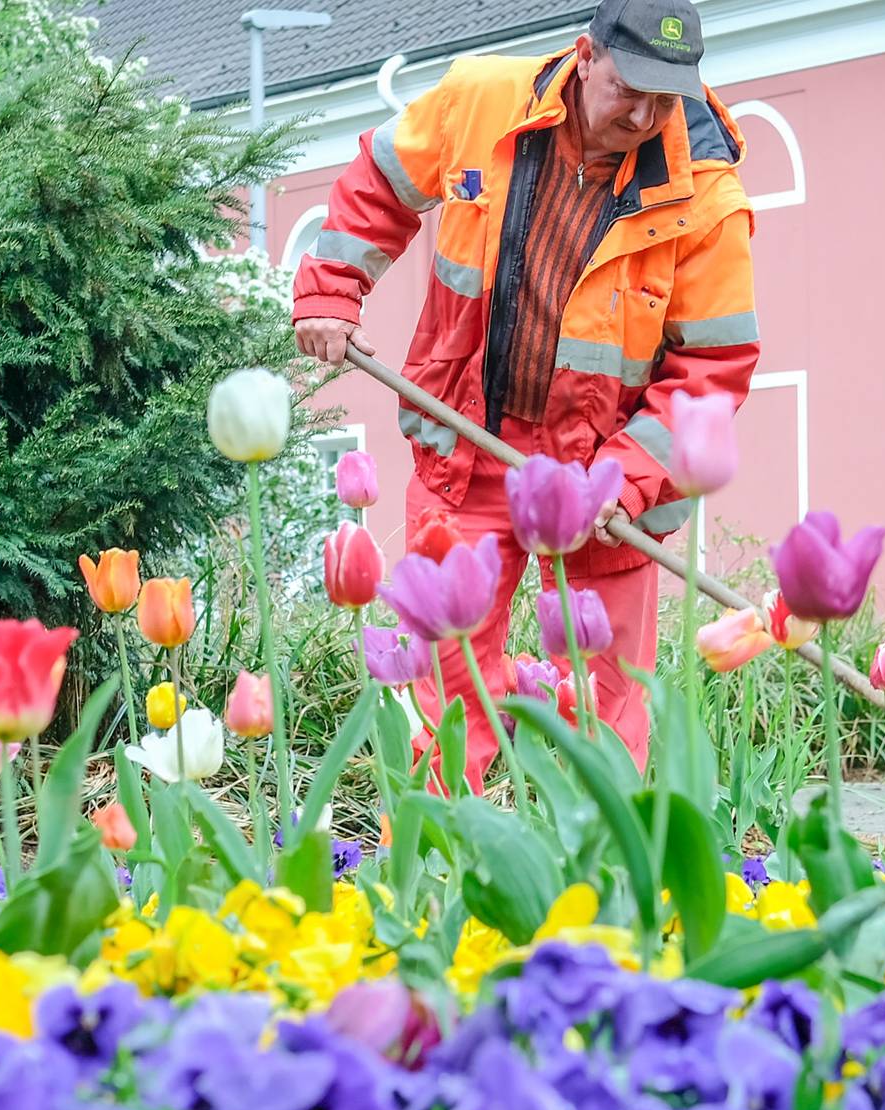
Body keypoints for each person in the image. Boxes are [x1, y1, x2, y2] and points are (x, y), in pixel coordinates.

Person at [292, 0, 758, 775]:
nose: (644, 114)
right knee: (449, 696)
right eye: (628, 88)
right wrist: (331, 290)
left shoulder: (706, 194)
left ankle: (606, 884)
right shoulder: (481, 102)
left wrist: (633, 482)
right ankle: (440, 880)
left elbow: (711, 370)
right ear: (586, 55)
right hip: (468, 446)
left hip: (604, 478)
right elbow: (379, 180)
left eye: (664, 97)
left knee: (607, 713)